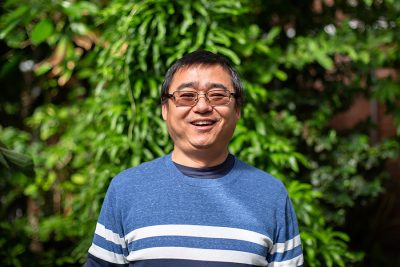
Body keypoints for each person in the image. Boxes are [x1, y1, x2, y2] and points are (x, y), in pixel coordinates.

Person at [85, 50, 303, 266]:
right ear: (165, 109)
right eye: (186, 96)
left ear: (237, 109)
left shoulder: (271, 195)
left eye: (217, 96)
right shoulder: (126, 189)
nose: (201, 107)